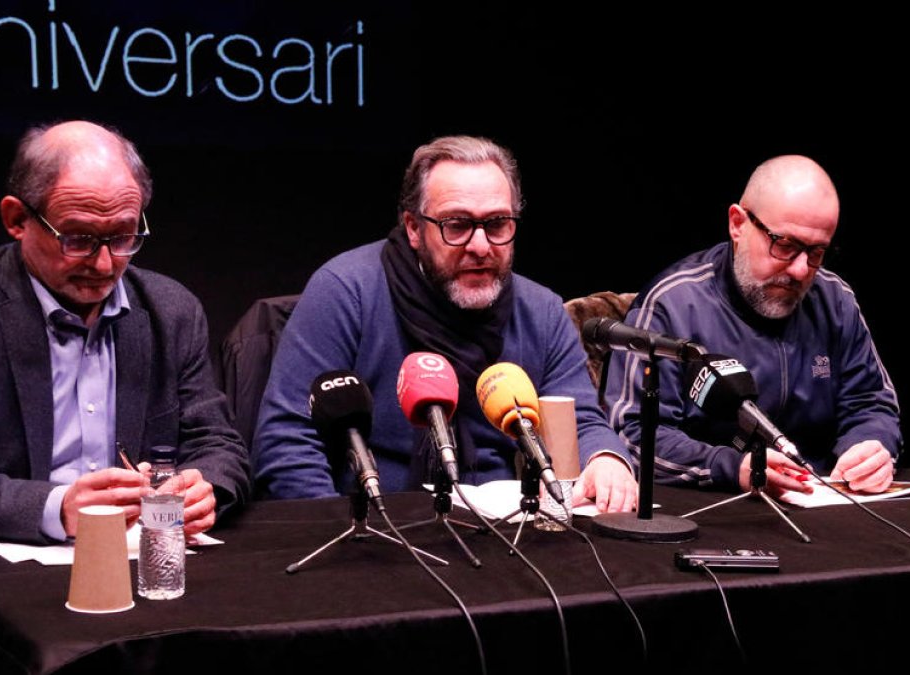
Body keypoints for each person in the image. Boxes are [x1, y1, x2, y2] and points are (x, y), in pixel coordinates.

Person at [0, 121, 249, 674]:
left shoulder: (171, 310)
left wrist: (207, 488)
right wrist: (58, 509)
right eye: (78, 238)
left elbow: (217, 442)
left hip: (138, 586)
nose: (104, 265)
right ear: (17, 218)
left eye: (123, 237)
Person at [253, 135, 637, 512]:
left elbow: (579, 419)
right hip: (375, 529)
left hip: (505, 529)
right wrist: (339, 534)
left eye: (498, 223)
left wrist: (606, 459)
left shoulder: (541, 310)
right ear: (414, 229)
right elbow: (288, 439)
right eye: (457, 225)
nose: (481, 245)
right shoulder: (344, 292)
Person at [606, 155, 901, 497]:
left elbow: (872, 403)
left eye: (817, 252)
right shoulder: (672, 306)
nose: (801, 270)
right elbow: (634, 434)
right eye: (785, 245)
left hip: (824, 503)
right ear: (737, 223)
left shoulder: (835, 301)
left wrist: (869, 447)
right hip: (716, 509)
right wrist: (732, 467)